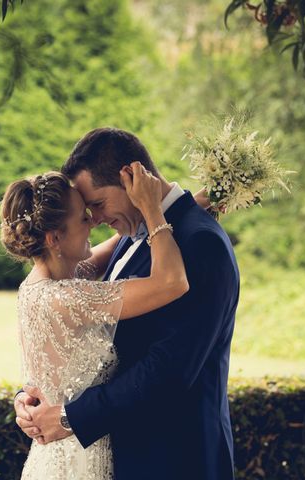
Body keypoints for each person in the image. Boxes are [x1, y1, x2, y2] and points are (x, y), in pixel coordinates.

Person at [13, 128, 240, 479]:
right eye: (87, 211)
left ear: (132, 178)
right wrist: (33, 395)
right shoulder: (134, 234)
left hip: (175, 460)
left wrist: (67, 417)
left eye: (98, 205)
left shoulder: (200, 243)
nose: (96, 220)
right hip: (116, 456)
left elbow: (170, 370)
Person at [0, 164, 195, 478]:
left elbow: (118, 246)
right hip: (79, 460)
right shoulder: (70, 298)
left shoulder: (35, 287)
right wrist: (152, 208)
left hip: (52, 458)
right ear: (53, 238)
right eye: (83, 217)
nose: (94, 221)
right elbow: (172, 282)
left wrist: (195, 201)